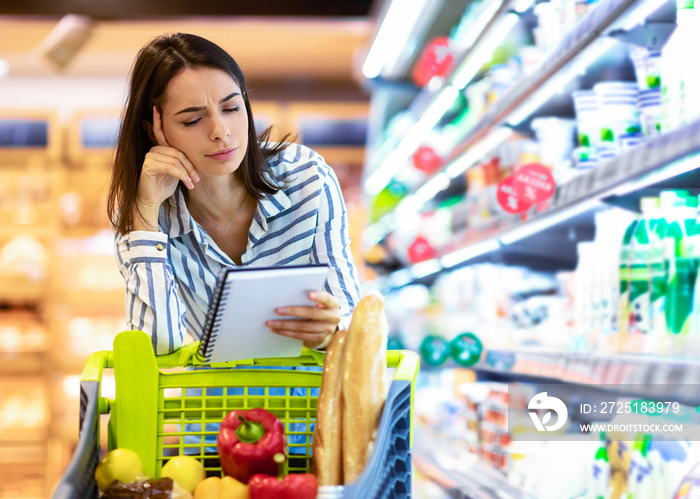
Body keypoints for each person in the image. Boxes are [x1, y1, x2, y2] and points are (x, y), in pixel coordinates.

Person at [107, 32, 361, 356]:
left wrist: (329, 331)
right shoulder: (144, 214)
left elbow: (349, 318)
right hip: (216, 405)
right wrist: (145, 213)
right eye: (193, 120)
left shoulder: (307, 178)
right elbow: (157, 347)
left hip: (311, 401)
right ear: (154, 130)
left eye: (231, 108)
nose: (221, 132)